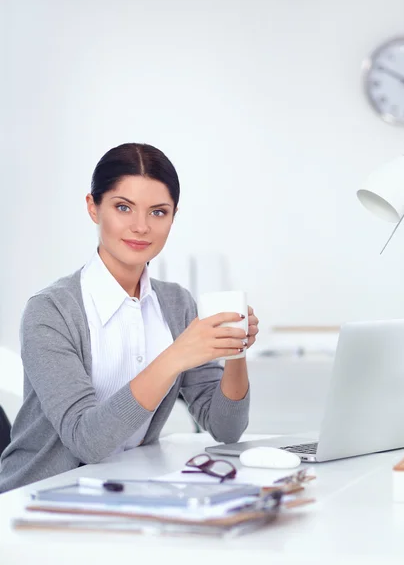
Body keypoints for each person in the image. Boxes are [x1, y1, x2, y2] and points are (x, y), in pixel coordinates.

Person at [0, 143, 258, 493]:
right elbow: (87, 441)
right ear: (93, 207)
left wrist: (235, 350)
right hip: (37, 498)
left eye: (158, 212)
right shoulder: (50, 311)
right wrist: (176, 356)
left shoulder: (176, 303)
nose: (141, 227)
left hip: (126, 490)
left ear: (173, 216)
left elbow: (226, 429)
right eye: (123, 207)